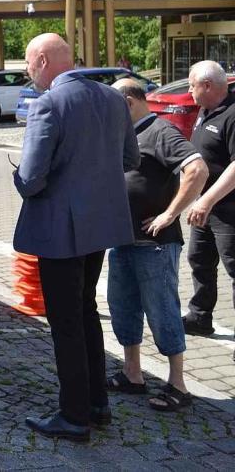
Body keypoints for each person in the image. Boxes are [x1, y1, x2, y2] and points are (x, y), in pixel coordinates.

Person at [13, 33, 139, 441]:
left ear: (45, 61)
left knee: (66, 321)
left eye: (30, 64)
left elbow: (31, 180)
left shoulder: (48, 103)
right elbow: (129, 159)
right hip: (99, 226)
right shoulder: (113, 98)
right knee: (85, 310)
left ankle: (74, 415)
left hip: (60, 230)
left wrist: (18, 174)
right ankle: (97, 403)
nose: (29, 72)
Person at [108, 79, 207, 411]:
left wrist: (168, 214)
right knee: (123, 309)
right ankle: (133, 373)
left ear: (128, 102)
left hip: (154, 245)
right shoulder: (126, 135)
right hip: (122, 240)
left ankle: (178, 385)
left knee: (162, 312)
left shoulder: (160, 132)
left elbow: (197, 169)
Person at [182, 60, 235, 357]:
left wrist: (207, 200)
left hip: (227, 209)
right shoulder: (205, 111)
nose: (188, 90)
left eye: (191, 85)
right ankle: (200, 317)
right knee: (199, 260)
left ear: (207, 85)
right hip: (206, 207)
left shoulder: (232, 114)